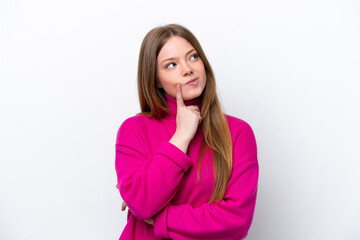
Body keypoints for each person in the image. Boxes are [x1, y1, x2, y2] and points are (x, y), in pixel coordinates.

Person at [115, 23, 259, 240]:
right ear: (155, 80)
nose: (187, 69)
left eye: (193, 57)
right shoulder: (134, 130)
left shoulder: (238, 133)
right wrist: (181, 136)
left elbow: (236, 221)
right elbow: (142, 204)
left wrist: (160, 218)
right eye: (171, 64)